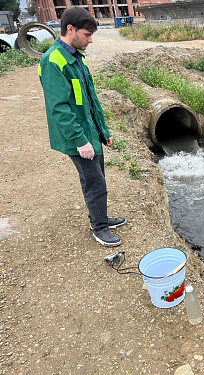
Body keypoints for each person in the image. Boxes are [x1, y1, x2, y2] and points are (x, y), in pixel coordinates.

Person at [38, 7, 125, 247]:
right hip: (78, 136)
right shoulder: (53, 61)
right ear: (70, 29)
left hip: (90, 132)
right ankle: (99, 228)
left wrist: (102, 131)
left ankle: (100, 217)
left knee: (98, 177)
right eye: (87, 35)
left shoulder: (75, 56)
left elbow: (89, 100)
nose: (90, 40)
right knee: (94, 182)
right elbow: (60, 109)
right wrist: (80, 140)